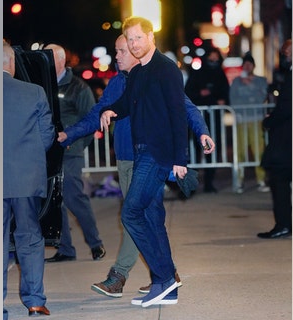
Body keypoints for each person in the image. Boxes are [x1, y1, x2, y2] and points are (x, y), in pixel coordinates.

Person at [57, 34, 215, 298]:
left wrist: (202, 132)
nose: (118, 55)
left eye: (123, 49)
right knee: (151, 218)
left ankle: (120, 275)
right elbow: (99, 113)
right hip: (128, 159)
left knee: (134, 215)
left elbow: (185, 108)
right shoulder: (119, 82)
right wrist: (68, 135)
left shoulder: (157, 74)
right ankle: (167, 276)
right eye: (119, 49)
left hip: (145, 160)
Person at [100, 16, 188, 308]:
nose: (134, 44)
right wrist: (111, 111)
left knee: (131, 213)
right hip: (141, 153)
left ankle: (165, 276)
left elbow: (178, 114)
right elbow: (127, 103)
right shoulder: (138, 72)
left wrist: (180, 159)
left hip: (158, 153)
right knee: (150, 217)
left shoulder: (166, 70)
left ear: (151, 37)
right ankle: (168, 287)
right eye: (130, 39)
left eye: (138, 38)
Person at [3, 40, 54, 318]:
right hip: (25, 178)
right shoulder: (34, 92)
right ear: (11, 63)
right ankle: (34, 302)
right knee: (30, 239)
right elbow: (46, 136)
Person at [42, 44, 107, 262]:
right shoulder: (42, 86)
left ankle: (96, 243)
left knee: (73, 196)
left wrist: (75, 145)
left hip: (70, 152)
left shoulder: (78, 87)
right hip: (48, 152)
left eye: (48, 57)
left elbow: (90, 122)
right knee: (55, 200)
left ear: (61, 61)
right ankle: (66, 248)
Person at [258, 39, 292, 239]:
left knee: (279, 179)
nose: (284, 57)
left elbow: (286, 107)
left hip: (287, 139)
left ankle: (283, 224)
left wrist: (270, 122)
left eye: (286, 53)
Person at [184, 46, 230, 193]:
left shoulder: (220, 75)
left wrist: (222, 100)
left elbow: (225, 93)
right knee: (194, 153)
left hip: (214, 120)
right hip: (197, 120)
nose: (214, 61)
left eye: (216, 58)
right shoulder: (197, 75)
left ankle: (209, 183)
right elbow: (188, 94)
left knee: (211, 151)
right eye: (211, 58)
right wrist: (200, 94)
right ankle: (190, 185)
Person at [229, 52, 270, 193]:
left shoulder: (260, 80)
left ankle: (261, 180)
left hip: (257, 120)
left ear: (253, 65)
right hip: (241, 121)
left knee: (259, 151)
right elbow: (233, 100)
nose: (247, 66)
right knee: (240, 152)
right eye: (245, 64)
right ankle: (239, 181)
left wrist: (250, 86)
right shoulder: (236, 81)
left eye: (250, 64)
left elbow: (262, 97)